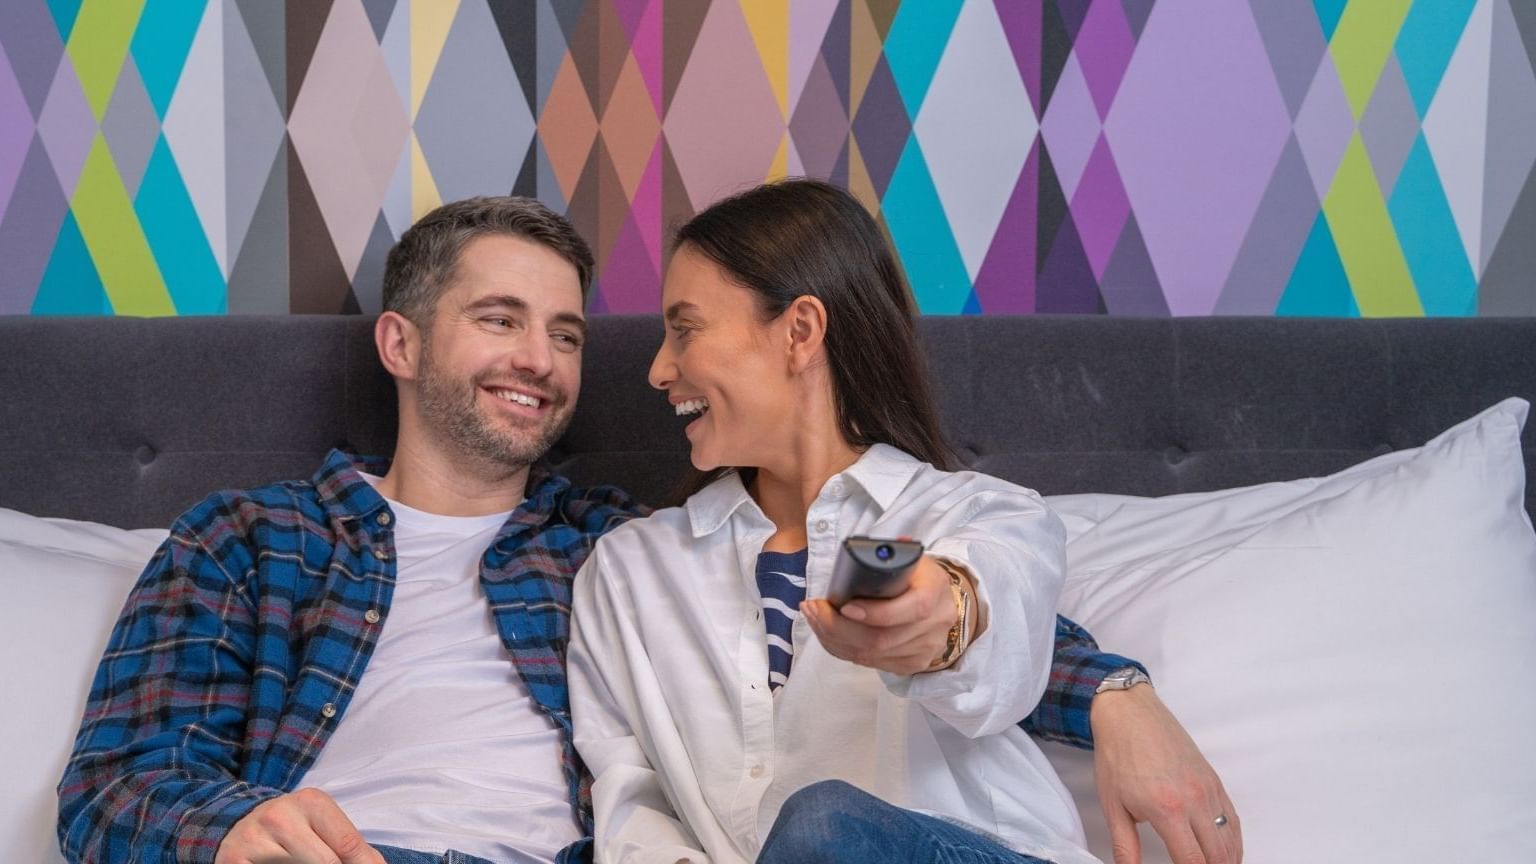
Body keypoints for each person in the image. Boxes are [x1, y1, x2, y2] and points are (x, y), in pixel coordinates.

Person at [58, 195, 1236, 864]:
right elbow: (115, 785)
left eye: (568, 333)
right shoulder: (249, 542)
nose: (542, 358)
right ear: (401, 345)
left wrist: (1118, 692)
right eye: (501, 319)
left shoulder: (595, 542)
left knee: (823, 828)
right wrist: (233, 834)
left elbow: (955, 593)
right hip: (360, 855)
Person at [567, 180, 1240, 864]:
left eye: (685, 329)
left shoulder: (981, 513)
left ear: (799, 332)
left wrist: (938, 619)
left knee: (825, 824)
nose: (658, 369)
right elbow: (631, 796)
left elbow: (991, 616)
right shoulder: (628, 571)